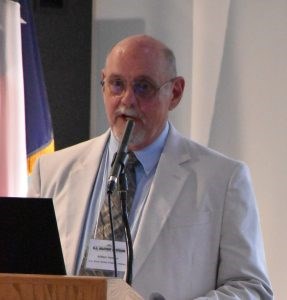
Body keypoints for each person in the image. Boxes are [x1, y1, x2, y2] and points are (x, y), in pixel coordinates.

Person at [28, 34, 273, 299]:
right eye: (117, 84)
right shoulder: (51, 171)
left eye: (143, 87)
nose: (128, 100)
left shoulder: (222, 180)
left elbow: (252, 289)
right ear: (103, 84)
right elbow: (24, 275)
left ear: (175, 92)